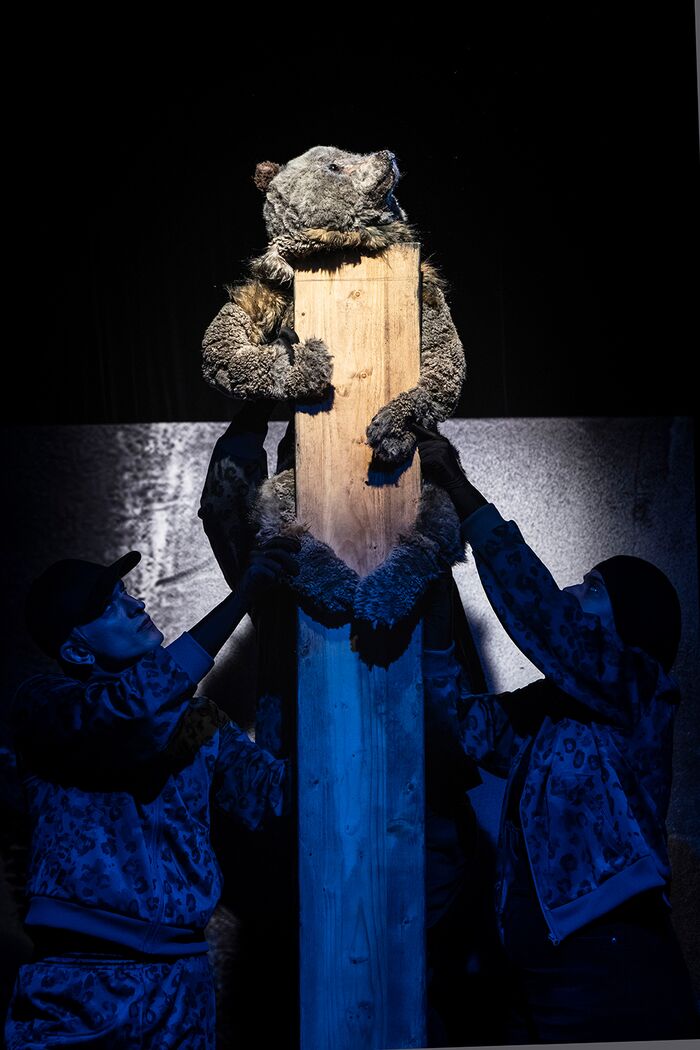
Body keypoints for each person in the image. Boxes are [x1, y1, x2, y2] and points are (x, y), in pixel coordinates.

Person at [412, 422, 699, 1043]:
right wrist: (431, 583)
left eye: (592, 589)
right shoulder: (551, 714)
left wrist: (459, 488)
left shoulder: (640, 688)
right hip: (537, 977)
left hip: (610, 974)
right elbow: (456, 725)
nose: (572, 591)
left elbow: (547, 619)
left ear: (630, 624)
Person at [5, 533, 300, 1049]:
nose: (135, 605)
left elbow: (276, 797)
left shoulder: (199, 720)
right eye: (108, 607)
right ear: (75, 649)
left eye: (126, 593)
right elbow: (132, 713)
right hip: (81, 983)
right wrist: (242, 598)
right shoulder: (46, 705)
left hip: (182, 983)